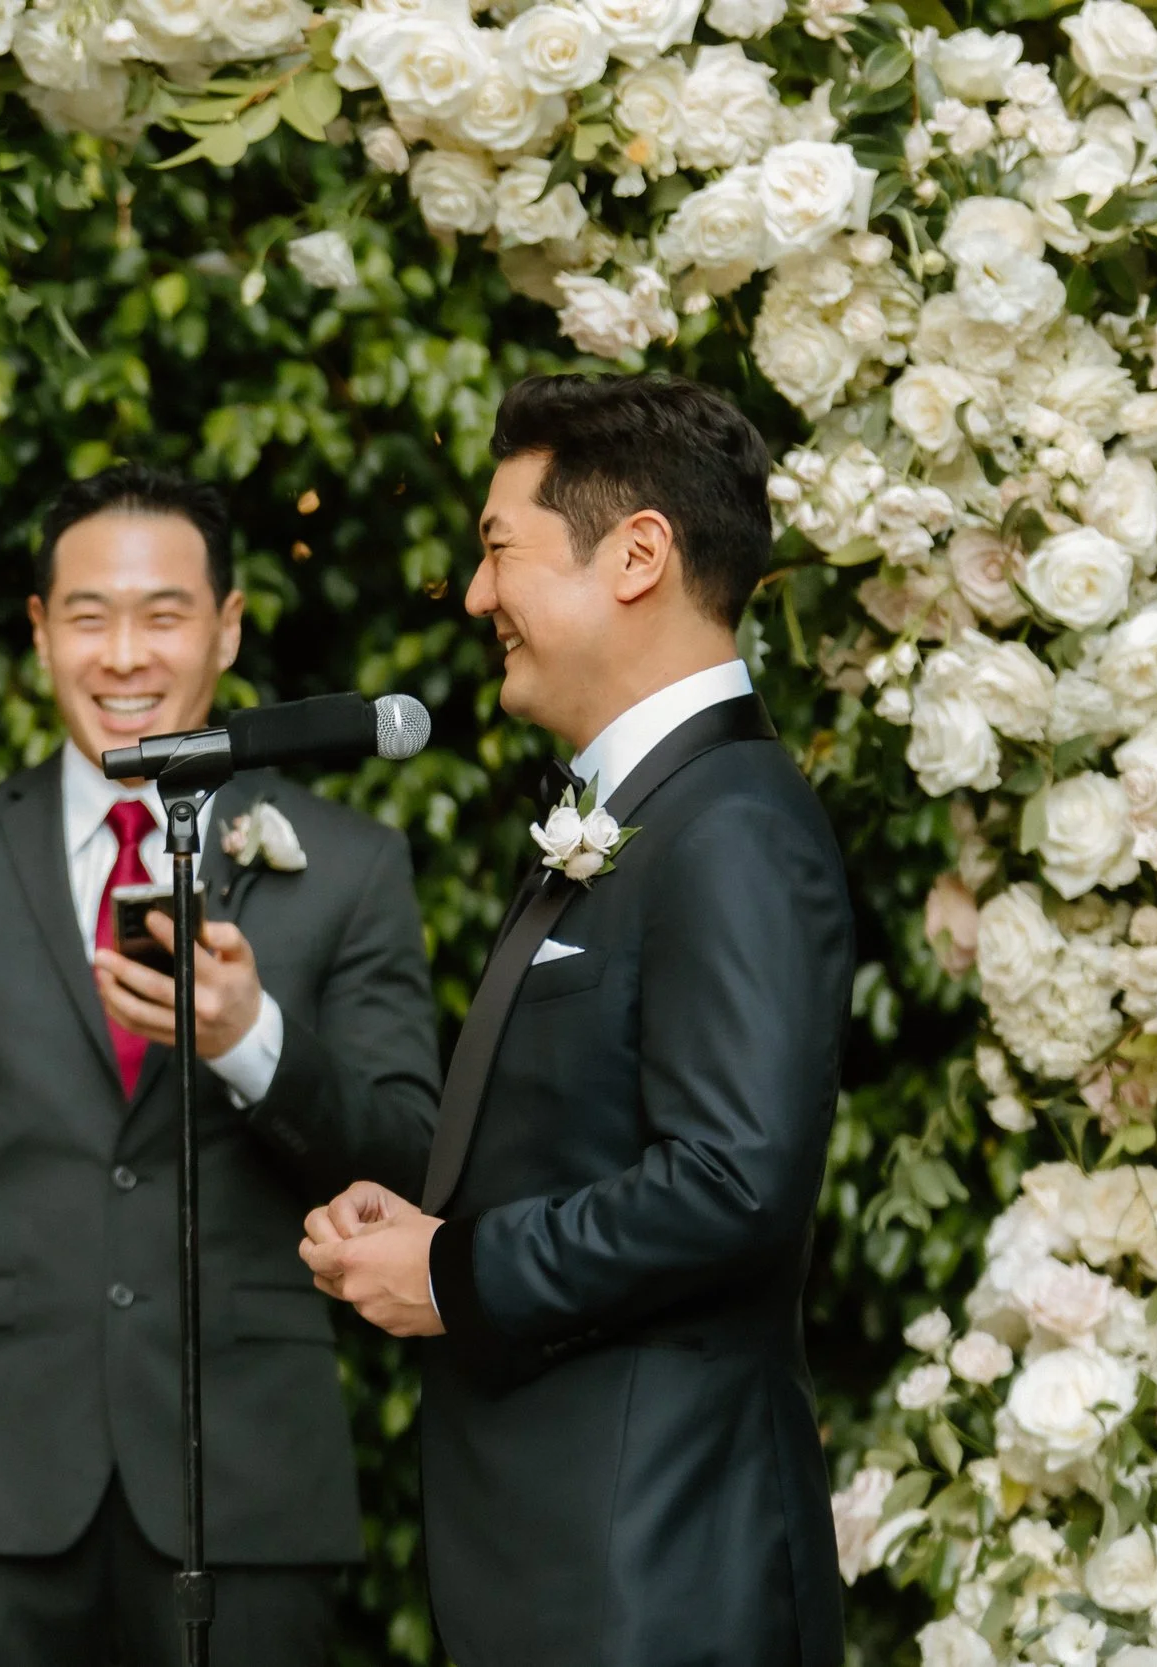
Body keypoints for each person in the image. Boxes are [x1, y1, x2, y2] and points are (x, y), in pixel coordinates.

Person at [0, 464, 441, 1666]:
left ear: (228, 626)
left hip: (248, 1480)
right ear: (40, 629)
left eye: (163, 614)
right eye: (89, 616)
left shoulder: (351, 865)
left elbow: (408, 1154)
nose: (124, 655)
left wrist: (250, 1041)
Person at [301, 375, 851, 1667]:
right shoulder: (641, 810)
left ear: (637, 555)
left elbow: (729, 1183)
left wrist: (454, 1269)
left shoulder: (732, 825)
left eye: (500, 550)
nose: (474, 594)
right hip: (576, 1565)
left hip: (657, 1569)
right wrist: (429, 1218)